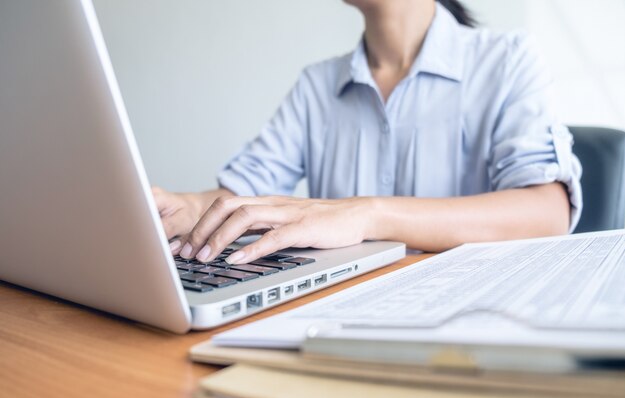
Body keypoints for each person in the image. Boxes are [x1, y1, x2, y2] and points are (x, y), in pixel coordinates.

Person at [154, 0, 582, 265]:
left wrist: (367, 215)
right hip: (337, 317)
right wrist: (185, 206)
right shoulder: (317, 85)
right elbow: (244, 195)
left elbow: (547, 214)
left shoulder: (506, 61)